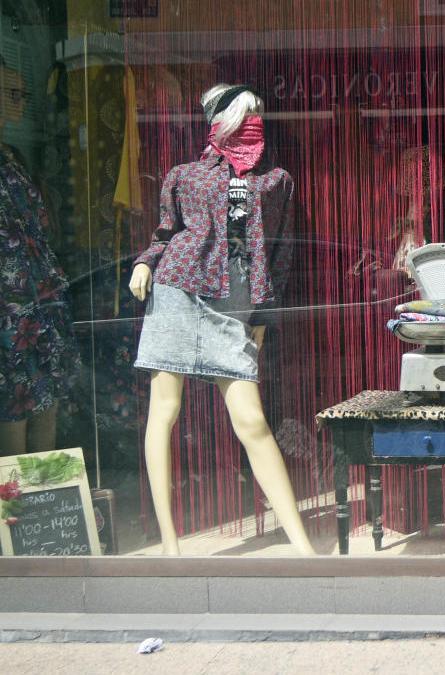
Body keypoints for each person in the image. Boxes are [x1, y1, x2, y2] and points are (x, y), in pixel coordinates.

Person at [129, 84, 315, 555]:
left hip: (233, 303)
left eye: (257, 114)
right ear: (218, 121)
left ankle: (302, 547)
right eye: (242, 114)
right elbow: (165, 232)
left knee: (251, 421)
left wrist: (264, 314)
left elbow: (281, 253)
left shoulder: (276, 180)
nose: (252, 122)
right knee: (164, 413)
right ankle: (170, 546)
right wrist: (145, 262)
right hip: (177, 291)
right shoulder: (184, 176)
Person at [0, 56, 80, 455]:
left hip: (38, 301)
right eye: (12, 93)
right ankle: (14, 511)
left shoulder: (12, 155)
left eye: (23, 92)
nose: (21, 101)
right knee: (14, 407)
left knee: (44, 400)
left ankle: (43, 507)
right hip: (9, 306)